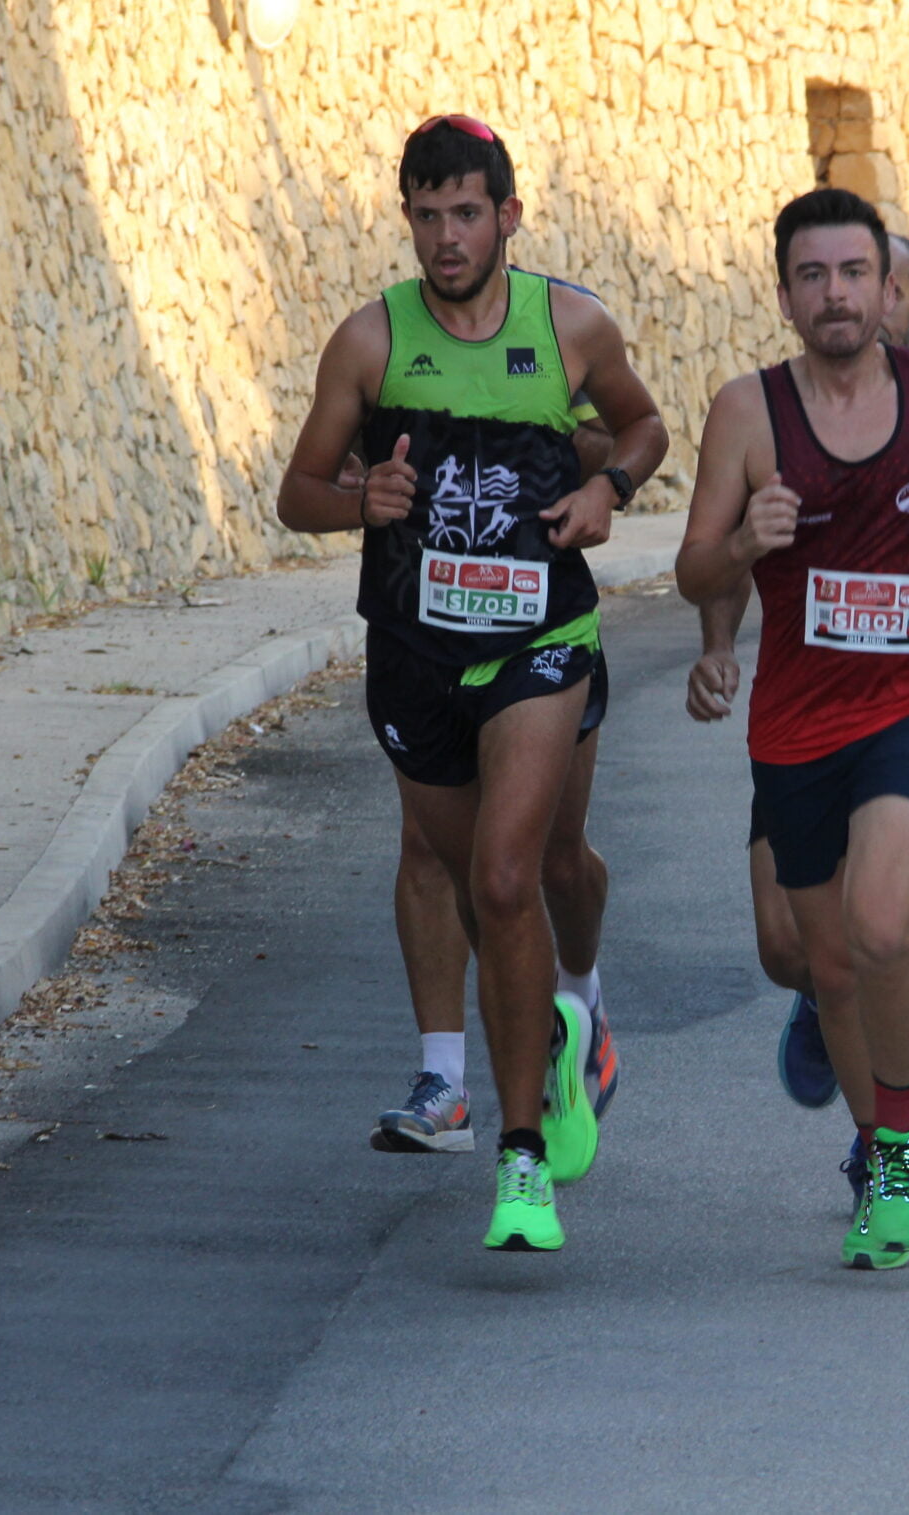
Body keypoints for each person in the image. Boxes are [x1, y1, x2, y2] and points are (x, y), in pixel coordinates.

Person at [277, 114, 668, 1252]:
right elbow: (296, 491)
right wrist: (361, 506)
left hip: (540, 635)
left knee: (510, 877)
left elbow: (641, 427)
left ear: (507, 215)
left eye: (465, 214)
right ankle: (542, 1028)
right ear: (406, 219)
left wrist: (613, 493)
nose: (444, 238)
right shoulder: (369, 343)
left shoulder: (569, 324)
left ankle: (521, 1156)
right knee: (457, 869)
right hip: (413, 648)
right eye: (424, 215)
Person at [678, 190, 909, 1268]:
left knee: (882, 928)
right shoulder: (746, 414)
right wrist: (743, 541)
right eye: (813, 276)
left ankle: (896, 1146)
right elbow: (694, 569)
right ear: (783, 293)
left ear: (890, 287)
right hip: (796, 723)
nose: (835, 295)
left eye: (855, 273)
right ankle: (880, 1132)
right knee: (819, 961)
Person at [360, 409, 618, 1157]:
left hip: (541, 627)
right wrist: (365, 480)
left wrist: (579, 461)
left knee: (555, 862)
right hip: (429, 635)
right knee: (445, 853)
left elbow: (622, 436)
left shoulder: (558, 321)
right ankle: (446, 1080)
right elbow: (334, 461)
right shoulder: (398, 338)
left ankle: (581, 1001)